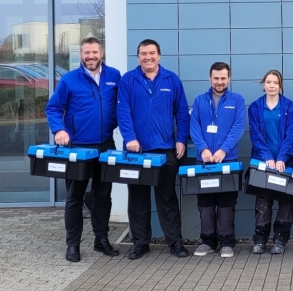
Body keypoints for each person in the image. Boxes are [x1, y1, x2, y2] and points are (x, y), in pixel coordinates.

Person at [46, 37, 122, 262]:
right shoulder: (69, 80)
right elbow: (53, 107)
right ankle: (73, 244)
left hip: (106, 145)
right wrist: (59, 129)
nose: (91, 56)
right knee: (74, 198)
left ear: (102, 53)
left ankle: (101, 240)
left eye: (94, 52)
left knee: (103, 196)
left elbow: (124, 106)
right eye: (86, 53)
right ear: (81, 55)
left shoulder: (114, 76)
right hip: (77, 147)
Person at [117, 39, 190, 260]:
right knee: (138, 198)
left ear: (159, 55)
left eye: (151, 53)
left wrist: (181, 139)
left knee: (167, 198)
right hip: (136, 152)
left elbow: (182, 113)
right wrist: (129, 138)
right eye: (143, 54)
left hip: (166, 149)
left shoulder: (171, 79)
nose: (147, 57)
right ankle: (140, 243)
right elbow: (123, 112)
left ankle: (175, 243)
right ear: (137, 56)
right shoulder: (128, 80)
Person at [190, 62, 246, 258]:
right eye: (216, 78)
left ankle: (226, 242)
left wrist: (223, 150)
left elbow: (238, 127)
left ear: (229, 78)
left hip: (227, 160)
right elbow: (194, 127)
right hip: (204, 161)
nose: (219, 82)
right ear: (210, 78)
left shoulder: (237, 100)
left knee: (226, 204)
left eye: (223, 78)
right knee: (205, 204)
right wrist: (203, 149)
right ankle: (207, 241)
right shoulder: (199, 101)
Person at [248, 69, 293, 255]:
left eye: (275, 83)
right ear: (263, 84)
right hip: (264, 163)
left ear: (280, 85)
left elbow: (291, 134)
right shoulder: (254, 107)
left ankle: (280, 240)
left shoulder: (289, 107)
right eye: (268, 82)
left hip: (286, 163)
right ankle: (260, 240)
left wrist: (282, 158)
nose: (271, 86)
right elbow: (256, 135)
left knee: (286, 203)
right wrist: (268, 157)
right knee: (263, 203)